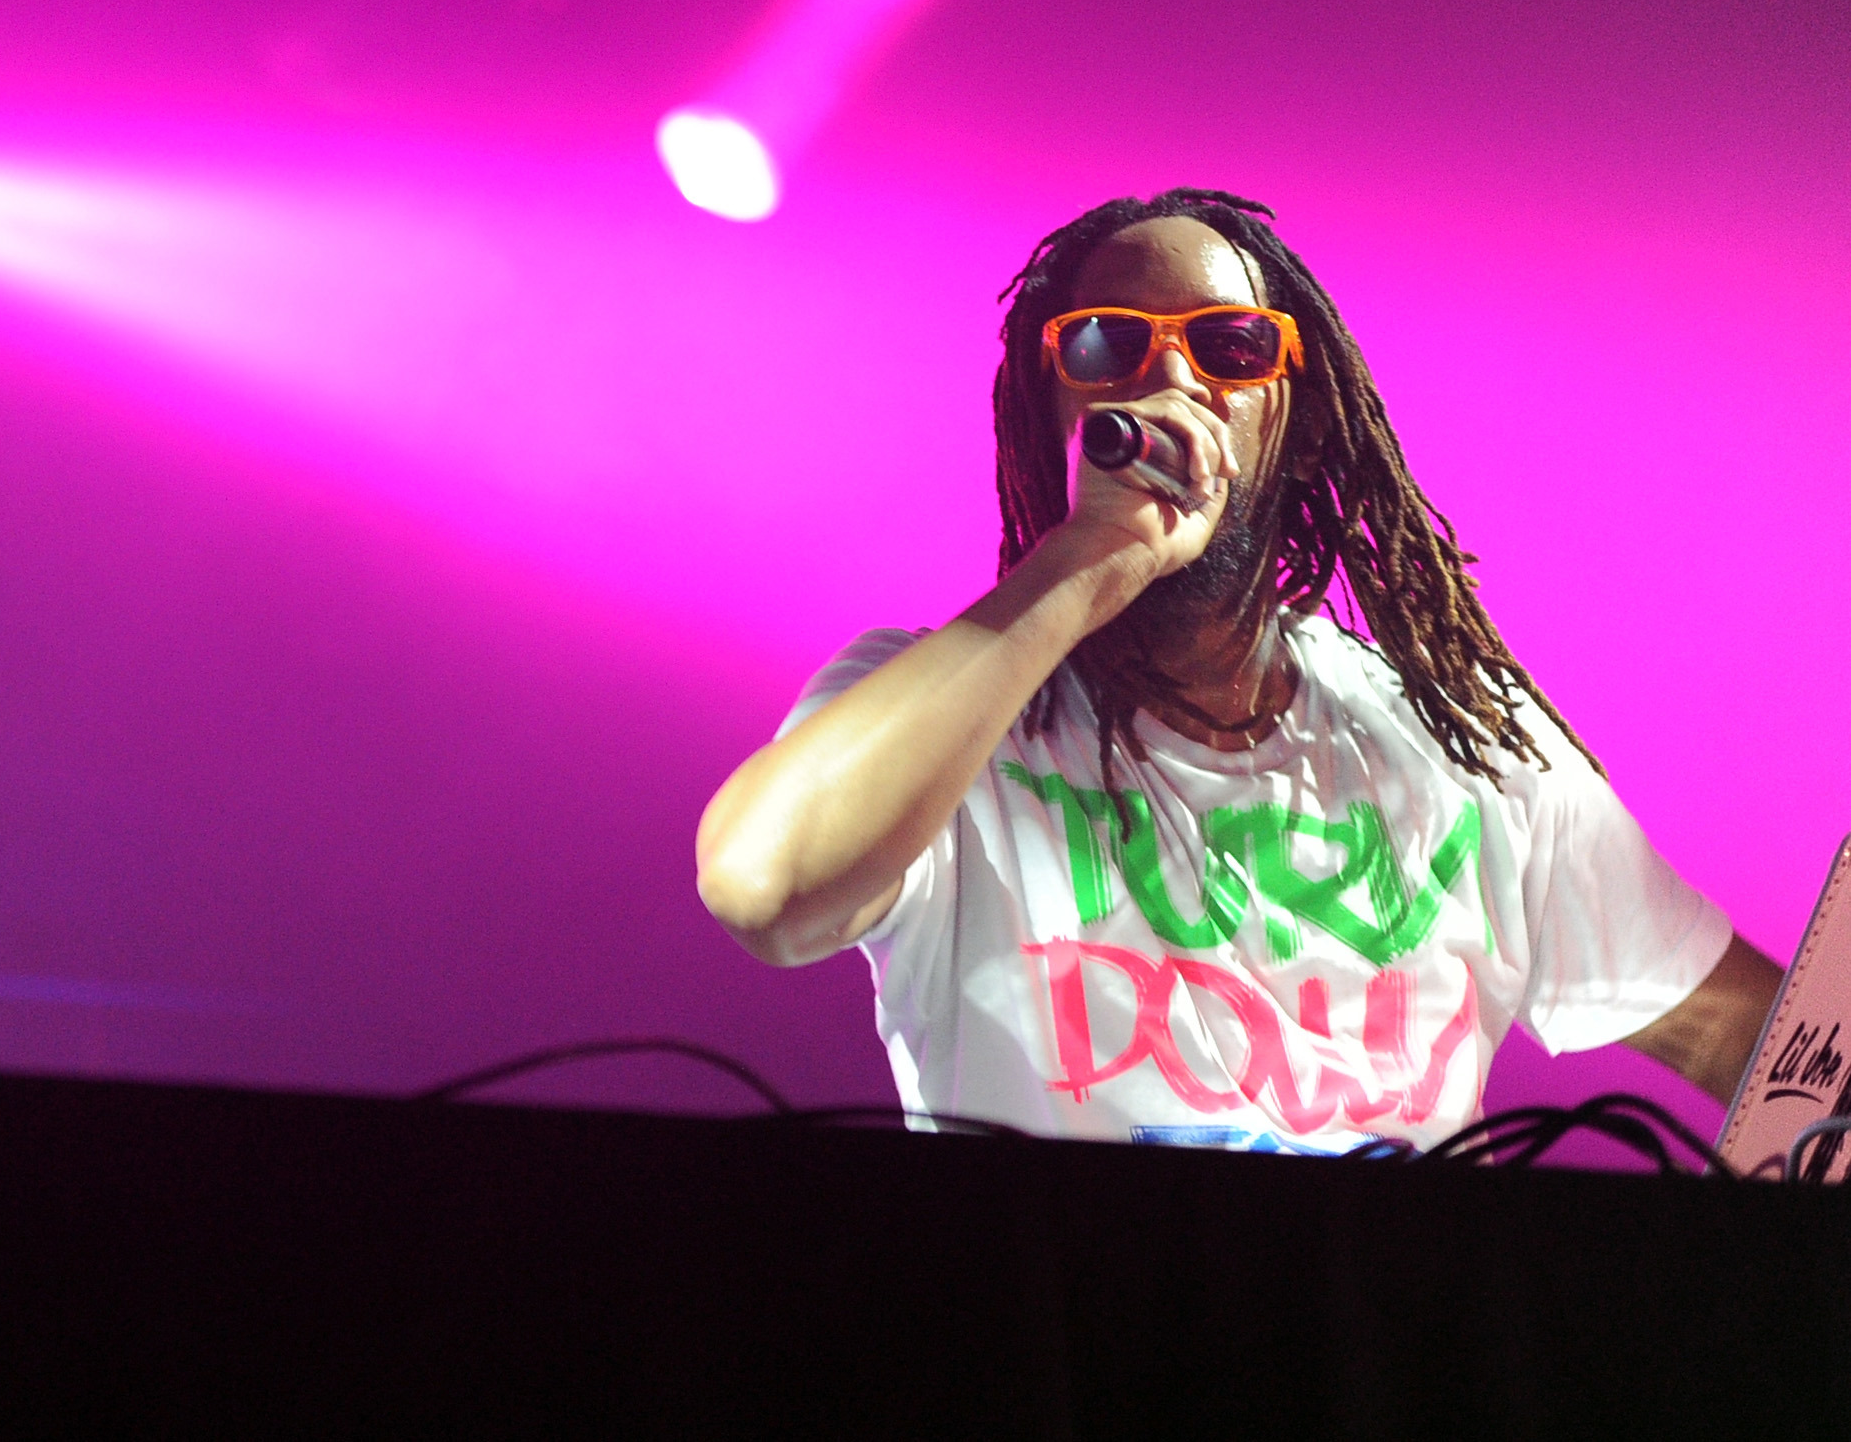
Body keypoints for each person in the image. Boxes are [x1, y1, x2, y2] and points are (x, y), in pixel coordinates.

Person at [695, 190, 1777, 1150]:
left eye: (1233, 346)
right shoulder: (930, 714)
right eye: (1109, 345)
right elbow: (765, 889)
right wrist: (1088, 560)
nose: (1173, 376)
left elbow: (1759, 1044)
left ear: (1297, 427)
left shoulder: (1469, 742)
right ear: (1053, 412)